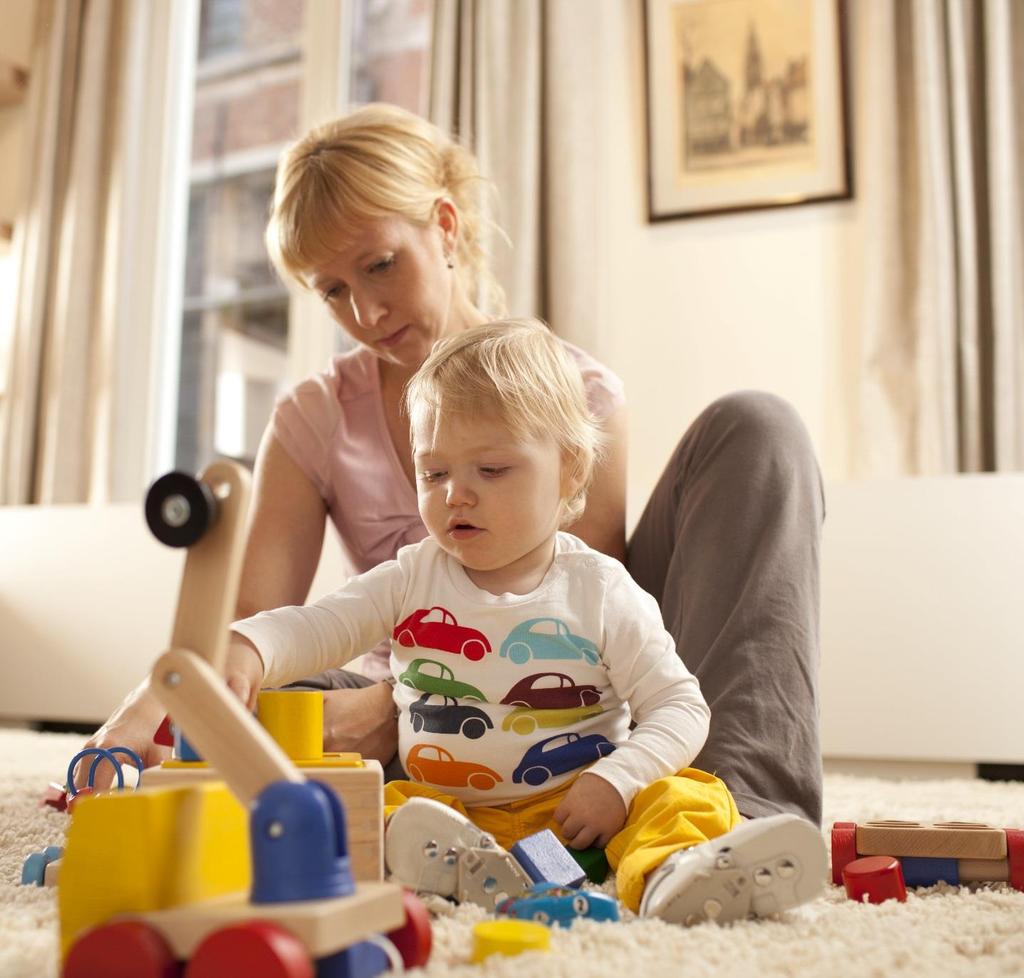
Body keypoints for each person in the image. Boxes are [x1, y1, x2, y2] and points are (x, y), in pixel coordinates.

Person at [80, 103, 823, 831]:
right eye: (332, 290)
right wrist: (158, 700)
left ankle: (739, 816)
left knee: (758, 428)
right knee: (265, 698)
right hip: (410, 709)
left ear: (443, 227)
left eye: (379, 266)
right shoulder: (314, 413)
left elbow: (570, 607)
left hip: (566, 696)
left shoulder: (581, 392)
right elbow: (253, 622)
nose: (366, 312)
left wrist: (398, 705)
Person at [224, 318, 825, 924]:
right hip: (455, 812)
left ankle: (671, 876)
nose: (456, 493)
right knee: (387, 804)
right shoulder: (411, 576)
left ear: (568, 471)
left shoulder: (600, 589)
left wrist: (618, 780)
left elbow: (681, 708)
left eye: (490, 471)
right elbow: (319, 625)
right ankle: (470, 871)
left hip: (578, 809)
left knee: (687, 796)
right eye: (433, 473)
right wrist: (249, 647)